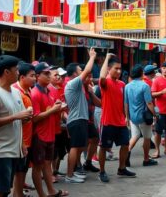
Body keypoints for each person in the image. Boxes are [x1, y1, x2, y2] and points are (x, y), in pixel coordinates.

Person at [0, 55, 32, 197]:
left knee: (4, 190)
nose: (18, 73)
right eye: (16, 70)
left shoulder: (16, 92)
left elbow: (20, 119)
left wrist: (25, 117)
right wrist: (16, 117)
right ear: (6, 72)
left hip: (13, 149)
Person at [30, 63, 68, 197]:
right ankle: (42, 194)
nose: (49, 76)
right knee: (38, 167)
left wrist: (59, 108)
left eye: (49, 74)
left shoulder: (50, 91)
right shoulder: (34, 93)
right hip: (39, 135)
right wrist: (53, 110)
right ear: (37, 76)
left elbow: (52, 111)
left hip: (50, 133)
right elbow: (34, 118)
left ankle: (51, 191)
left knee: (46, 165)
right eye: (46, 74)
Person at [98, 54, 135, 183]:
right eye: (116, 68)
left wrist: (127, 118)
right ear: (109, 69)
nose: (119, 71)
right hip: (107, 122)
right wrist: (106, 58)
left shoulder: (122, 84)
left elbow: (124, 102)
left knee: (125, 145)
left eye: (120, 69)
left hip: (120, 121)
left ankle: (122, 168)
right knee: (103, 147)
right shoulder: (105, 82)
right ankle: (102, 171)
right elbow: (102, 76)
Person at [63, 49, 96, 183]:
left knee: (78, 147)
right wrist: (92, 57)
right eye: (79, 70)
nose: (82, 72)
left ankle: (73, 173)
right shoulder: (73, 83)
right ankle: (69, 176)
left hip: (79, 119)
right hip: (76, 120)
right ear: (74, 74)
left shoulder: (78, 86)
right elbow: (88, 70)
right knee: (75, 148)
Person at [124, 65, 158, 167]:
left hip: (132, 116)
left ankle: (126, 154)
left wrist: (127, 116)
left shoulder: (127, 86)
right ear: (141, 74)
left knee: (134, 136)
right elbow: (149, 103)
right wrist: (155, 114)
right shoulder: (144, 86)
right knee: (147, 138)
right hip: (144, 116)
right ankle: (146, 159)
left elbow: (126, 103)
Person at [11, 63, 35, 197]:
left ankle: (18, 193)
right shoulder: (16, 92)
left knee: (22, 170)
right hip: (20, 140)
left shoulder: (27, 90)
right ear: (21, 77)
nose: (34, 79)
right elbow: (15, 118)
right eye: (31, 76)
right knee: (19, 171)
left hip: (27, 137)